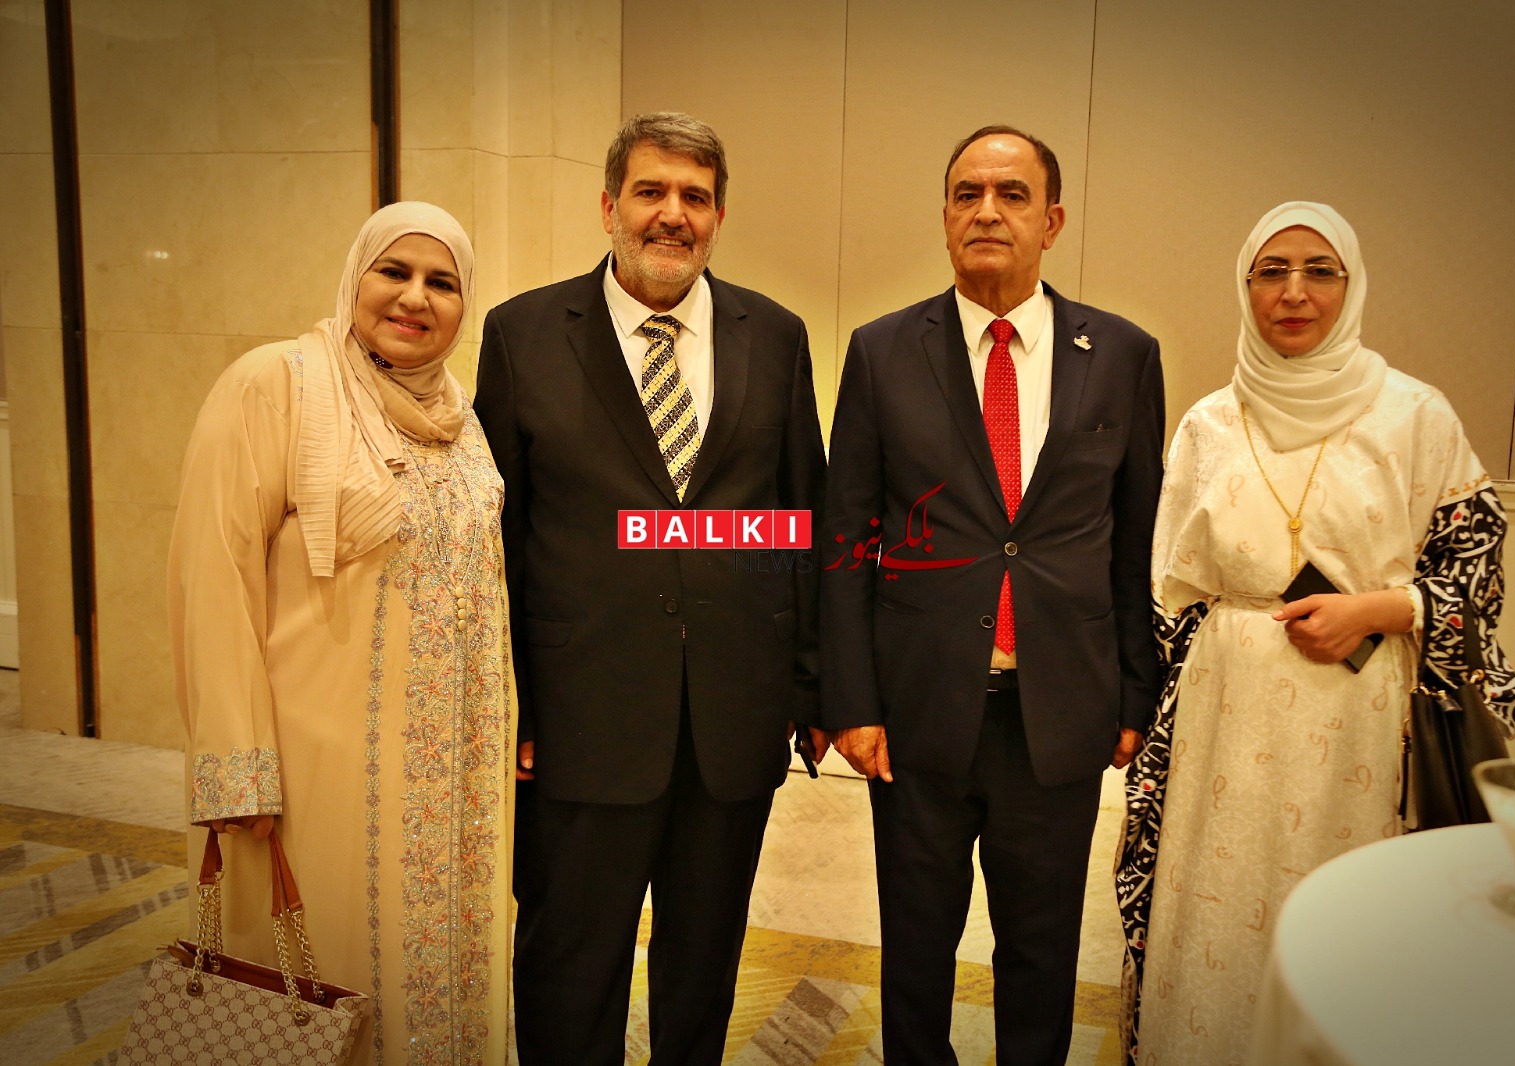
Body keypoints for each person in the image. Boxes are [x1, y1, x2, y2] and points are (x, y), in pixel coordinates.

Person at [1116, 201, 1515, 1065]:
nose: (1294, 293)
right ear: (1246, 288)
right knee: (1216, 900)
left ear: (1352, 284)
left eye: (1320, 271)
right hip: (1225, 716)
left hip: (1357, 719)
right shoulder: (1208, 422)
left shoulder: (1415, 415)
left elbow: (1476, 571)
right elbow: (1166, 591)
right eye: (1271, 272)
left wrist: (1378, 611)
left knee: (1339, 903)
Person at [474, 112, 828, 1064]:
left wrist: (805, 687)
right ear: (608, 207)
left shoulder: (775, 335)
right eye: (651, 191)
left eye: (695, 197)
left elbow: (799, 521)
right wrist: (514, 707)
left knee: (703, 966)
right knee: (569, 962)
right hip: (579, 720)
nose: (673, 214)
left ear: (719, 216)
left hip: (732, 722)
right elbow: (499, 541)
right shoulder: (523, 334)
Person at [821, 124, 1165, 1063]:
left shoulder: (1123, 354)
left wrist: (1133, 693)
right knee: (916, 954)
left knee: (1042, 958)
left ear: (1052, 222)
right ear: (943, 217)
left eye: (1012, 195)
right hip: (918, 712)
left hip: (1060, 713)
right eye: (967, 193)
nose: (987, 211)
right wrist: (851, 701)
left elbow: (1137, 539)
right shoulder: (883, 351)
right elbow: (846, 541)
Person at [170, 202, 513, 1063]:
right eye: (394, 271)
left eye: (442, 282)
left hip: (453, 789)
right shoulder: (276, 386)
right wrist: (236, 764)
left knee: (441, 985)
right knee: (319, 991)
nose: (415, 298)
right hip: (314, 776)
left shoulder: (462, 419)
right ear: (356, 276)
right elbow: (213, 574)